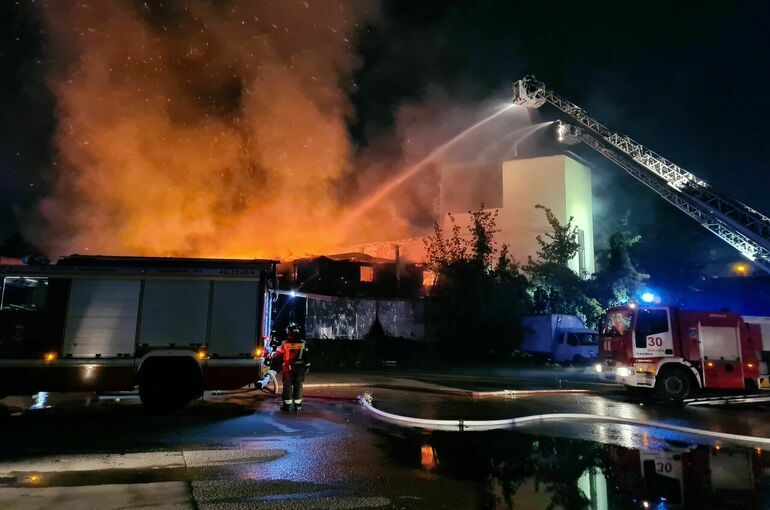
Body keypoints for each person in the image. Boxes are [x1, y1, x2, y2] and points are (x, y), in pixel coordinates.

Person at [272, 323, 310, 412]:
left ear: (289, 332)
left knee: (287, 386)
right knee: (298, 386)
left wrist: (271, 353)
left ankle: (287, 406)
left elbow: (277, 355)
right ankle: (298, 406)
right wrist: (307, 367)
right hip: (300, 369)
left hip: (288, 369)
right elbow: (307, 357)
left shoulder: (285, 343)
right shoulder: (303, 343)